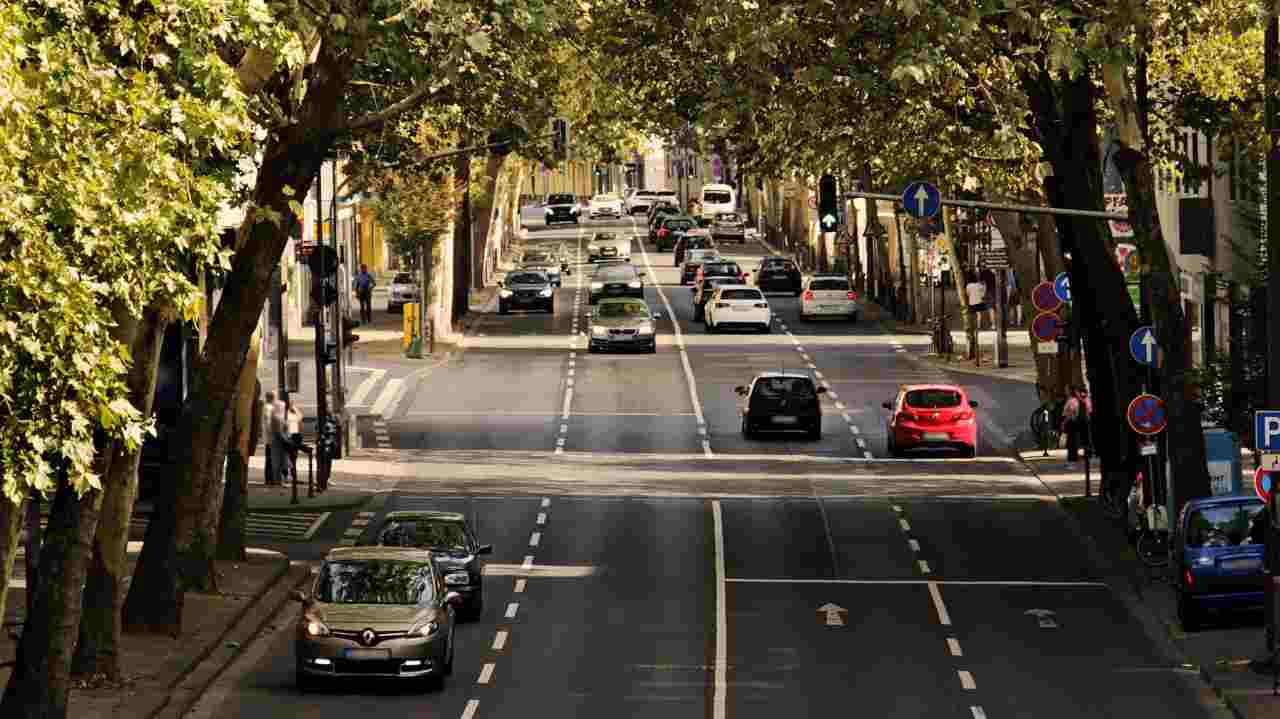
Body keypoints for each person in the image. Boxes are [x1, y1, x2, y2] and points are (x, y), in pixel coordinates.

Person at [1061, 385, 1093, 462]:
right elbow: (1090, 410)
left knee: (1072, 441)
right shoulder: (1087, 400)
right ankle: (1087, 454)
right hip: (1086, 421)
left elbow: (1068, 413)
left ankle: (1073, 456)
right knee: (1086, 439)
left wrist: (1064, 422)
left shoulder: (1072, 401)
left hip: (1073, 422)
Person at [270, 394, 290, 486]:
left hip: (278, 442)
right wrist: (286, 439)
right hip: (278, 443)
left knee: (280, 462)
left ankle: (279, 480)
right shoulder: (277, 418)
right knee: (278, 462)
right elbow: (279, 432)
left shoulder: (277, 417)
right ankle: (278, 481)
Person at [262, 390, 276, 484]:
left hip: (268, 437)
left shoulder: (266, 407)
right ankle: (270, 478)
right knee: (271, 458)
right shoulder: (269, 408)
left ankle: (269, 478)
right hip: (271, 437)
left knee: (270, 458)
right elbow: (269, 423)